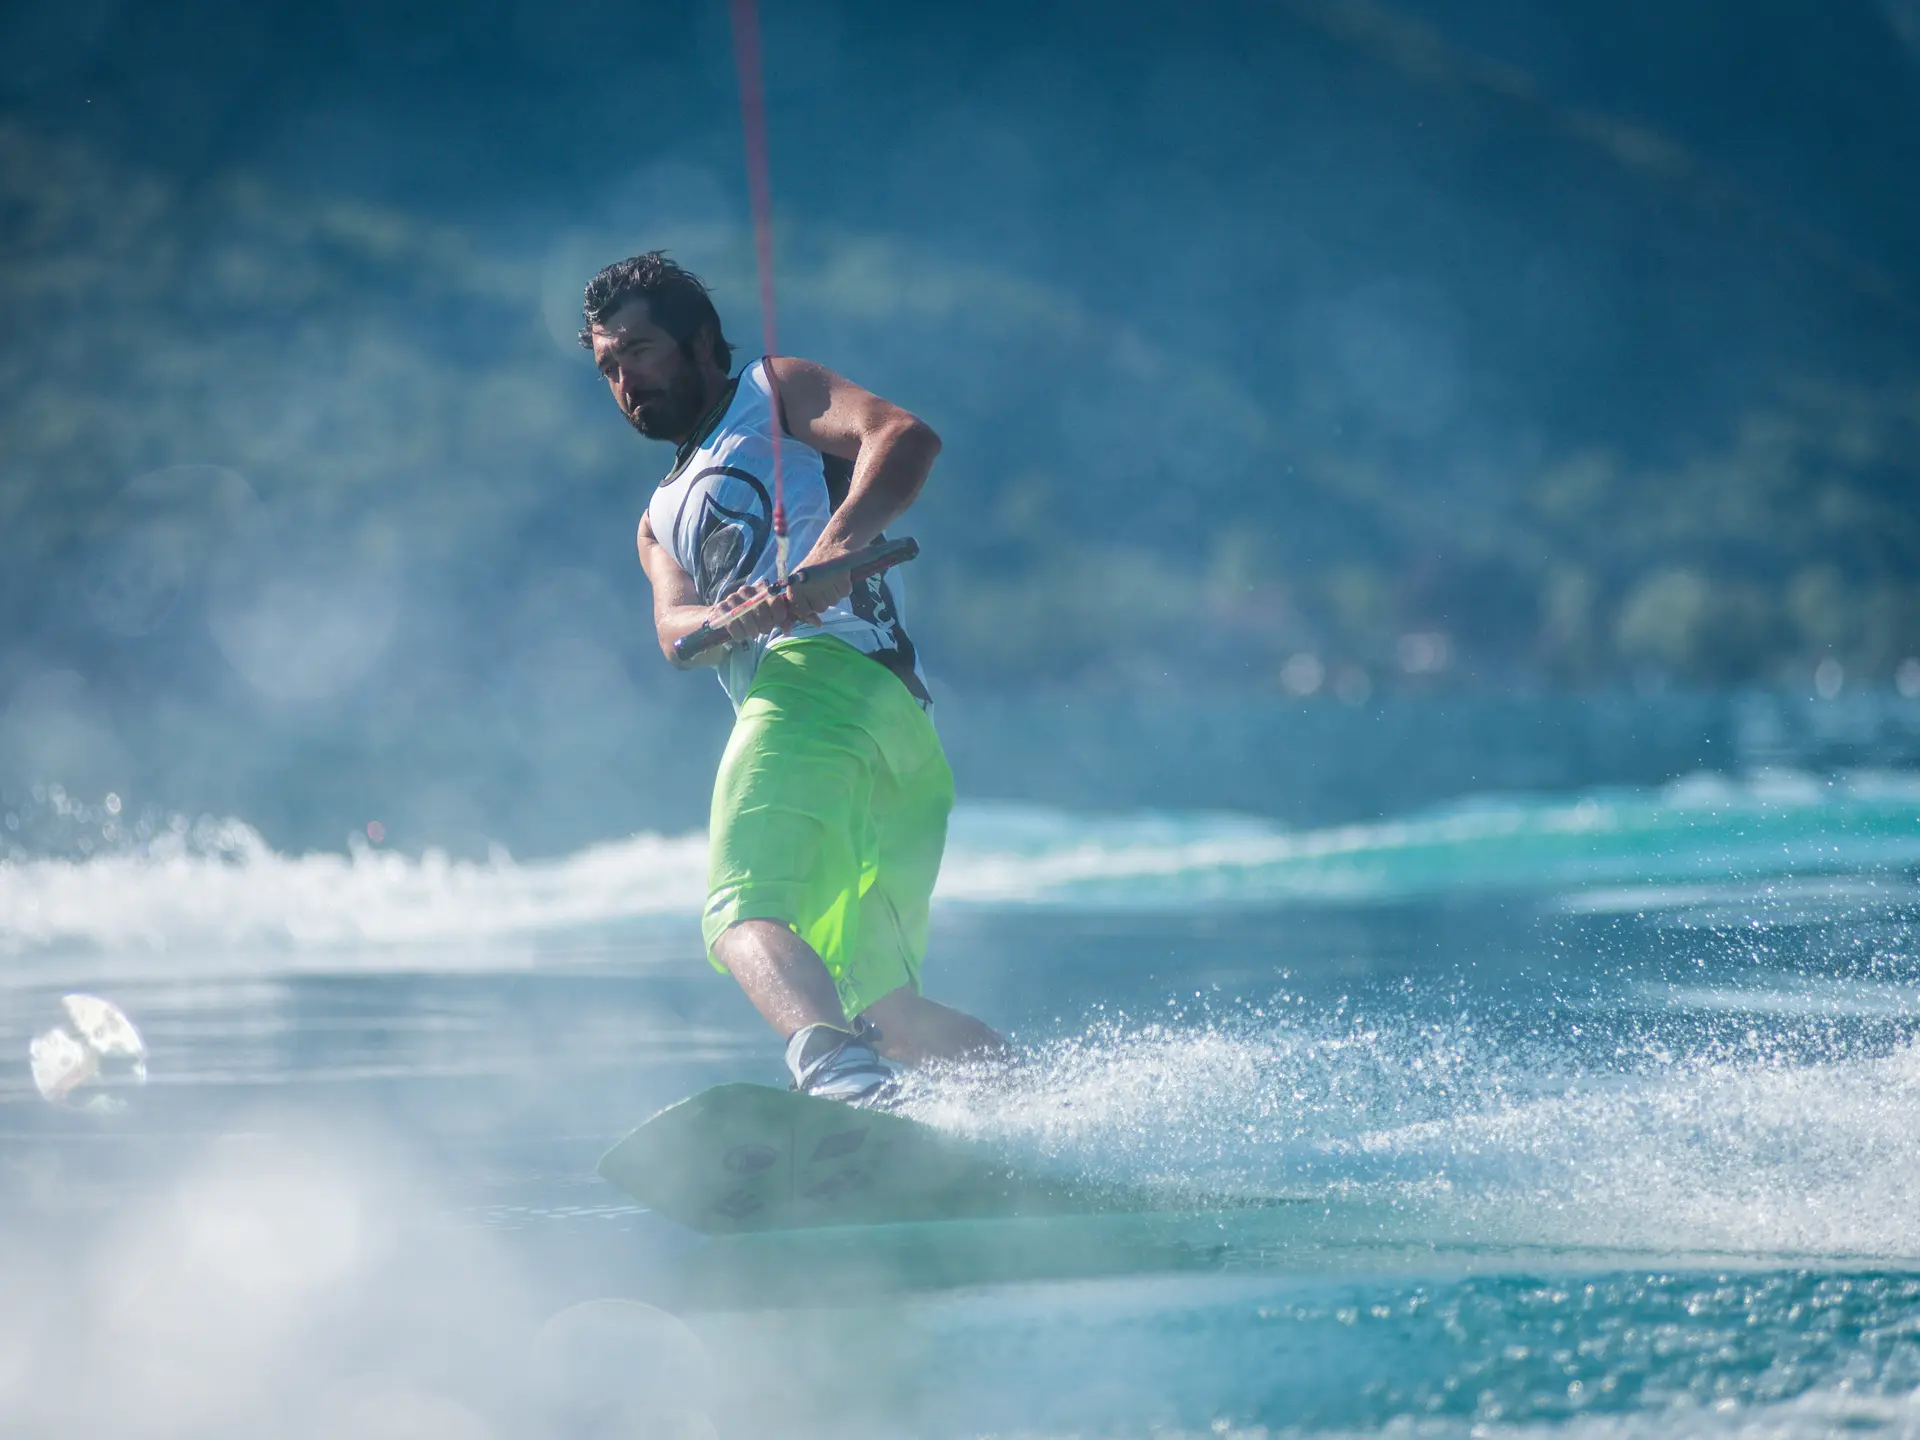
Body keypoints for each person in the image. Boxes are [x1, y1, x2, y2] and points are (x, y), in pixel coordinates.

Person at [581, 251, 1002, 1103]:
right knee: (885, 1009)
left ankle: (845, 1088)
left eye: (640, 351)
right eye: (608, 367)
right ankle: (1052, 1117)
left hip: (817, 686)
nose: (626, 381)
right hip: (899, 732)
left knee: (741, 915)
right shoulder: (655, 520)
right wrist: (731, 618)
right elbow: (674, 631)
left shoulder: (770, 391)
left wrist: (827, 556)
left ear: (703, 343)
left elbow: (903, 438)